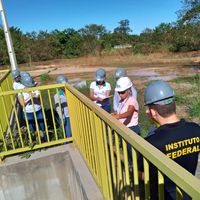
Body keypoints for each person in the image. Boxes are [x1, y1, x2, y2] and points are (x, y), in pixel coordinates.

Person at [139, 80, 200, 200]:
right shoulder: (195, 130)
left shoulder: (152, 143)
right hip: (189, 194)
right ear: (174, 104)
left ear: (152, 112)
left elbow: (142, 175)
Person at [18, 75, 46, 141]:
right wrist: (30, 97)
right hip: (28, 113)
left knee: (42, 126)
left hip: (38, 111)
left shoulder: (35, 87)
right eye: (29, 86)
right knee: (31, 128)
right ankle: (35, 142)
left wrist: (34, 96)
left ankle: (44, 141)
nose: (31, 87)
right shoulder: (20, 92)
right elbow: (23, 104)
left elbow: (38, 96)